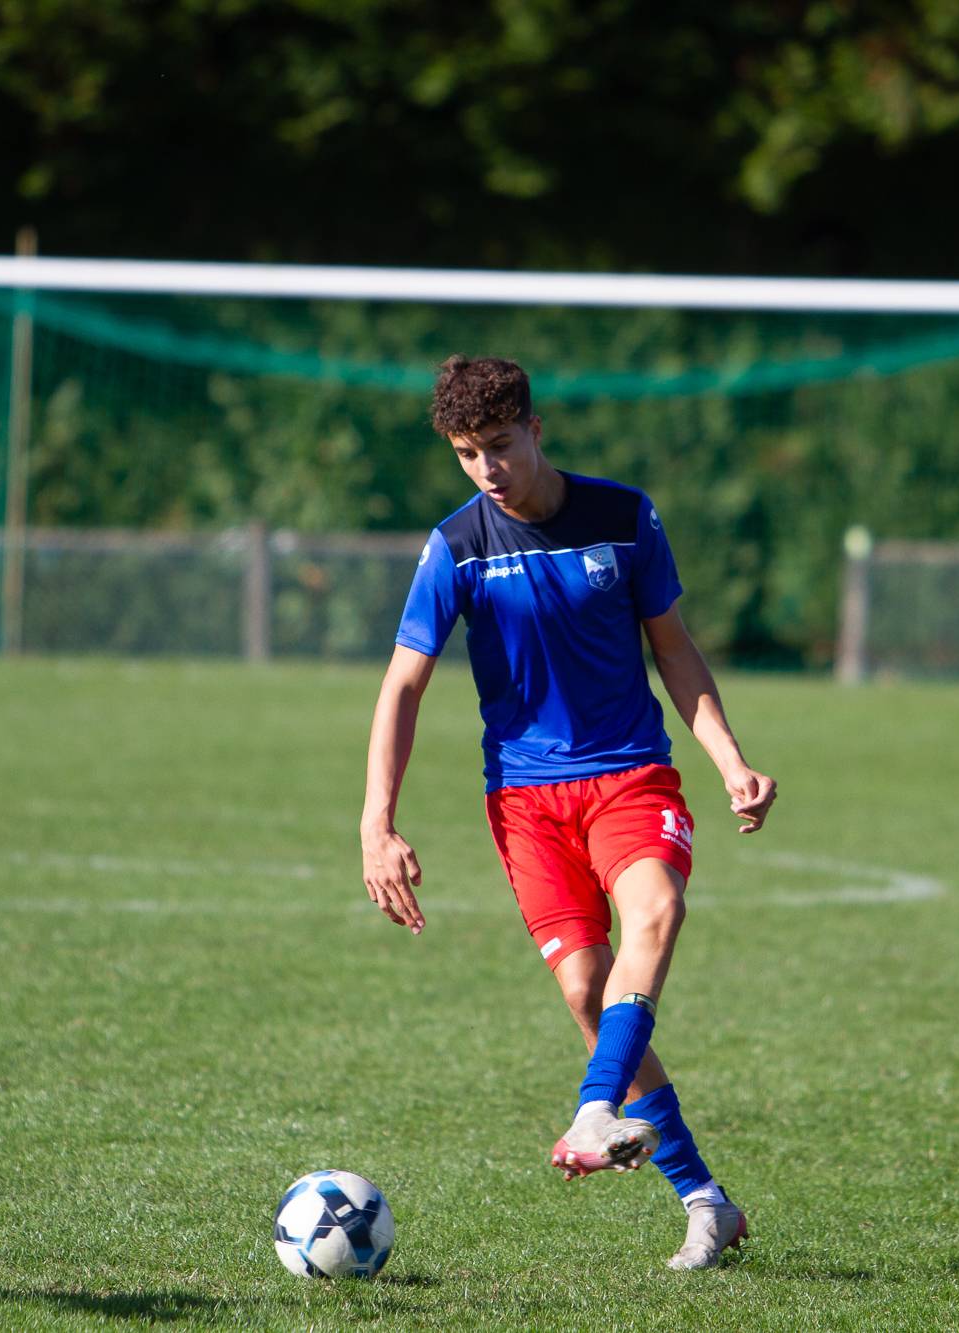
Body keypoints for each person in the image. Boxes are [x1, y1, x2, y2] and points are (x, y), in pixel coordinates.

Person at [359, 355, 778, 1272]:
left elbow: (675, 649)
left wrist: (730, 759)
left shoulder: (624, 518)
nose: (487, 468)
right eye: (467, 453)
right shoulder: (456, 546)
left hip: (629, 774)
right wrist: (375, 824)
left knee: (656, 911)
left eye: (500, 445)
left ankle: (595, 1107)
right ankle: (708, 1202)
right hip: (524, 801)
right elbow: (402, 685)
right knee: (589, 991)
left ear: (536, 430)